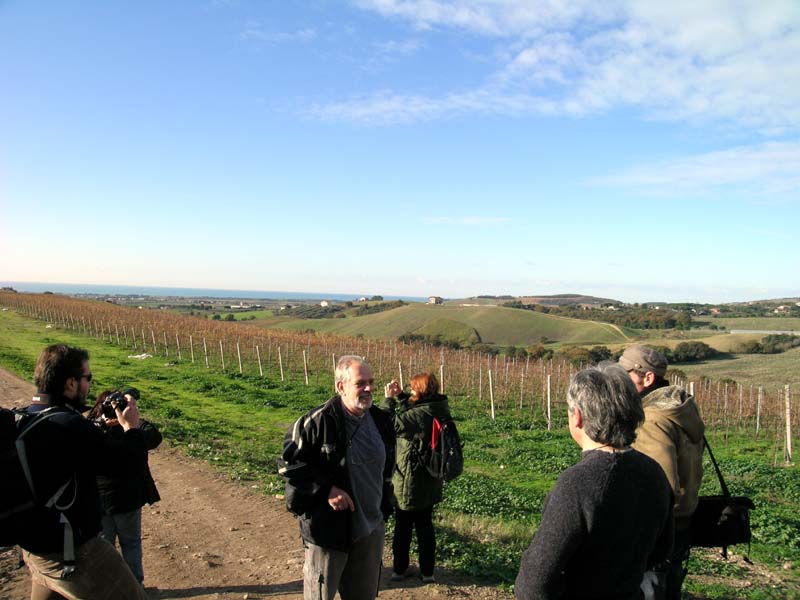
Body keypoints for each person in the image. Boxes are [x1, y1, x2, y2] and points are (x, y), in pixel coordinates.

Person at [515, 364, 674, 600]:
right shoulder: (655, 473)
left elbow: (536, 579)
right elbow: (661, 551)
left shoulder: (578, 484)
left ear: (577, 416)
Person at [18, 344, 148, 600]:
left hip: (36, 549)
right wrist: (132, 428)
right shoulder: (70, 425)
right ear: (70, 383)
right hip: (74, 552)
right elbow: (127, 464)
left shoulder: (28, 417)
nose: (89, 385)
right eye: (87, 378)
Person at [279, 355, 396, 600]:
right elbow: (289, 464)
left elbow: (386, 472)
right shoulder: (317, 422)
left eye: (372, 382)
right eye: (361, 383)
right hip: (328, 533)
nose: (369, 389)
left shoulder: (382, 421)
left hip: (371, 531)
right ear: (340, 387)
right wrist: (326, 490)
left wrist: (385, 504)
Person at [620, 344, 705, 600]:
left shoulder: (652, 419)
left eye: (625, 374)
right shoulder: (678, 410)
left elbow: (659, 485)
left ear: (647, 378)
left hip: (658, 528)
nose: (620, 381)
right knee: (669, 583)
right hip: (683, 520)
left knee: (650, 587)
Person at [88, 387, 162, 585]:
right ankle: (135, 586)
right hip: (127, 500)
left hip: (100, 501)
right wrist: (131, 420)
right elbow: (154, 436)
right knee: (131, 544)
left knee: (104, 548)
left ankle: (107, 588)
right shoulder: (131, 433)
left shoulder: (89, 429)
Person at [382, 373, 450, 584]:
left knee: (403, 526)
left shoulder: (419, 415)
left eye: (412, 389)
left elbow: (387, 423)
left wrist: (389, 400)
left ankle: (399, 570)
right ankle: (427, 571)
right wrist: (402, 396)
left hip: (410, 480)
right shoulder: (438, 407)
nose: (410, 392)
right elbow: (413, 412)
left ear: (420, 391)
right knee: (425, 525)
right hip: (430, 478)